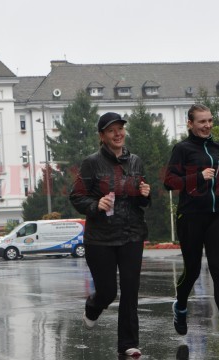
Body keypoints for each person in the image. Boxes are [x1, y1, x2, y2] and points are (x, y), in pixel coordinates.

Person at [69, 112, 151, 357]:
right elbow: (76, 195)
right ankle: (93, 307)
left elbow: (142, 200)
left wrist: (146, 194)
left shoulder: (135, 161)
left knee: (130, 290)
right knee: (108, 292)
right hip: (100, 238)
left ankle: (128, 344)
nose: (118, 134)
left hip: (132, 233)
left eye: (120, 129)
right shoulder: (91, 163)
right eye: (112, 130)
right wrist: (96, 205)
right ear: (102, 136)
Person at [164, 104, 219, 343]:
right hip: (190, 216)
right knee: (193, 271)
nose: (207, 125)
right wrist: (197, 177)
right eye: (202, 122)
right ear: (190, 124)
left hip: (216, 215)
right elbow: (169, 182)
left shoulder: (217, 146)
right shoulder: (182, 149)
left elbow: (216, 176)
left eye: (210, 121)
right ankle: (180, 306)